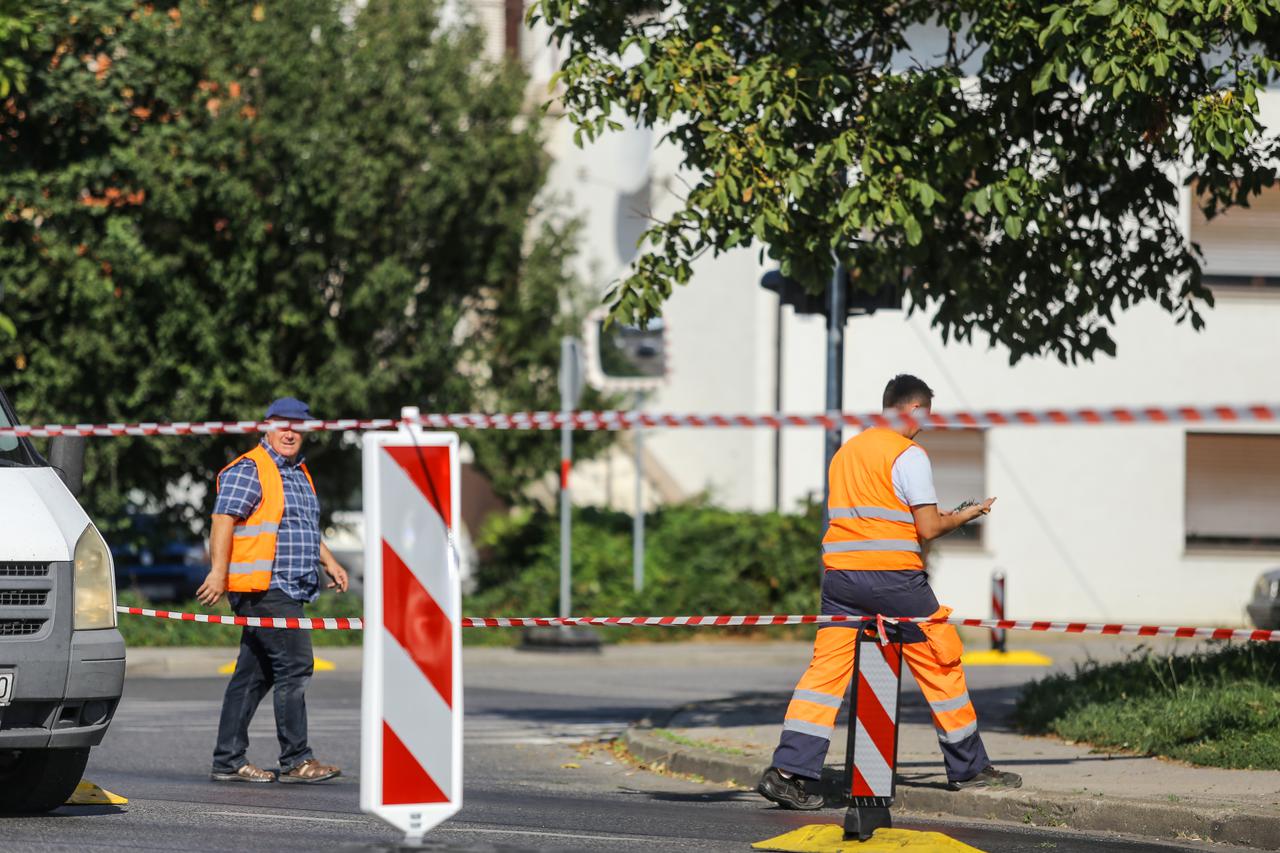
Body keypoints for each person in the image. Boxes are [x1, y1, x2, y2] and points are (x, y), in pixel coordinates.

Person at [757, 374, 1022, 810]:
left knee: (824, 676)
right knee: (941, 661)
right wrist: (965, 515)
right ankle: (969, 768)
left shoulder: (846, 453)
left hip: (841, 580)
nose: (924, 427)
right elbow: (928, 528)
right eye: (925, 417)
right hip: (895, 581)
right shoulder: (908, 454)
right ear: (912, 409)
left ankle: (788, 773)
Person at [197, 396, 349, 784]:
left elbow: (299, 528)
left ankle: (228, 760)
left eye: (297, 426)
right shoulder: (251, 468)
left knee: (253, 675)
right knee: (295, 665)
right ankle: (297, 759)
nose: (290, 431)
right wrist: (218, 572)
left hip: (289, 587)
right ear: (266, 426)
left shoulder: (299, 472)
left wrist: (327, 560)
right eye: (283, 424)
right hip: (263, 587)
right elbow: (223, 520)